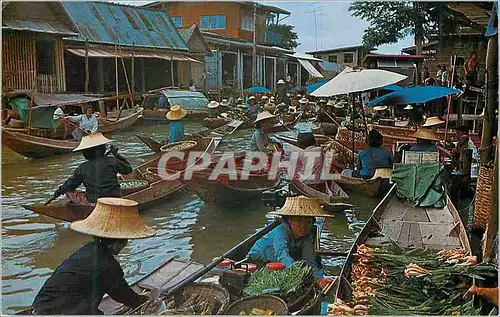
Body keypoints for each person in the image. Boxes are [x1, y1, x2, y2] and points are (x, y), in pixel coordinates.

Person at [31, 197, 157, 315]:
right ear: (114, 243)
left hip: (41, 304)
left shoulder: (88, 249)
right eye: (123, 241)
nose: (125, 245)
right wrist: (144, 300)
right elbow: (124, 295)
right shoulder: (108, 265)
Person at [248, 196, 334, 289]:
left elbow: (310, 261)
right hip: (259, 260)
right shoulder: (280, 232)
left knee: (316, 260)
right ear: (290, 220)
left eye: (308, 222)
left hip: (280, 260)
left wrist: (319, 279)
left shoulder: (306, 238)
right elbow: (282, 254)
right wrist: (301, 274)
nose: (303, 226)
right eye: (298, 221)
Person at [52, 133, 133, 206]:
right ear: (102, 149)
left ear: (86, 153)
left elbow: (70, 185)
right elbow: (128, 169)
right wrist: (117, 155)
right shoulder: (112, 161)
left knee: (69, 191)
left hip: (94, 201)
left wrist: (59, 191)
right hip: (114, 198)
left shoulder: (82, 168)